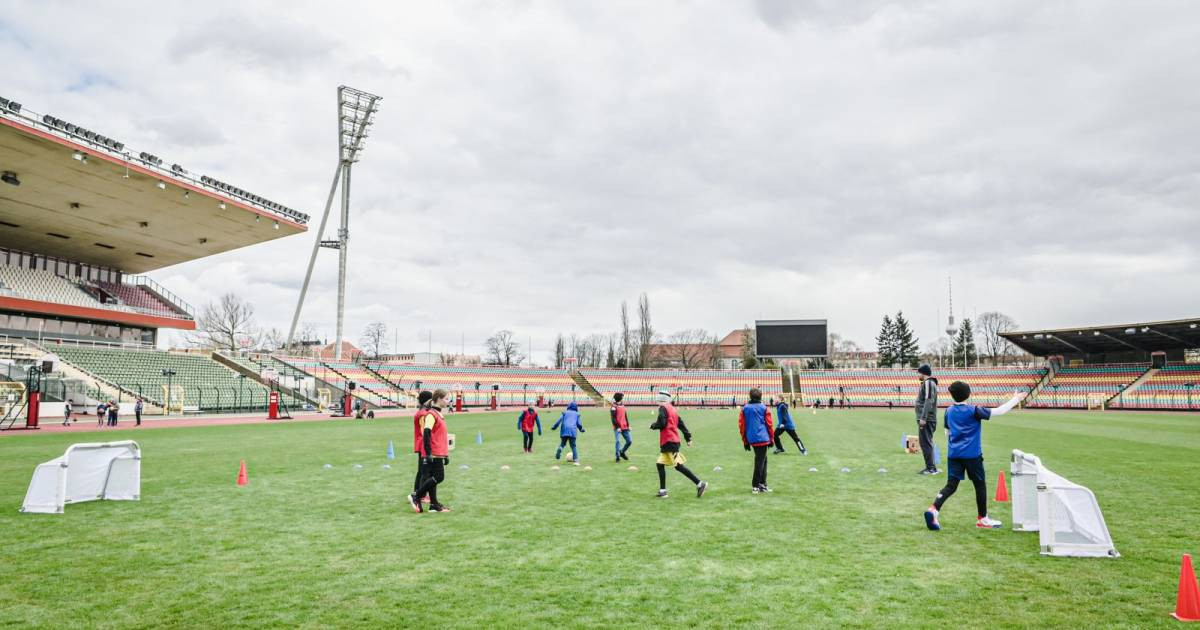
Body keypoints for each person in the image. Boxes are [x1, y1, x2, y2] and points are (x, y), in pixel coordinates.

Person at [923, 382, 1026, 531]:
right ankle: (982, 519)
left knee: (951, 485)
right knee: (979, 484)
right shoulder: (974, 410)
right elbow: (999, 411)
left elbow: (947, 432)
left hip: (954, 454)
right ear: (968, 394)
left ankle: (933, 509)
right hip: (972, 455)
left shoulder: (948, 411)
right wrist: (1016, 399)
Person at [650, 390, 707, 499]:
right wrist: (688, 437)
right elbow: (681, 424)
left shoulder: (663, 408)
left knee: (678, 466)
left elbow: (662, 424)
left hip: (669, 441)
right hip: (671, 442)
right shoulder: (672, 409)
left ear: (661, 399)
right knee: (660, 464)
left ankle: (700, 484)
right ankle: (663, 491)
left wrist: (653, 425)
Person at [408, 389, 452, 513]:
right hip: (434, 452)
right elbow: (426, 433)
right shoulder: (431, 414)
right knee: (439, 477)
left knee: (433, 477)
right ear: (438, 399)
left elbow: (439, 435)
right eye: (446, 399)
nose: (448, 401)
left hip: (439, 452)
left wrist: (445, 455)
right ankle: (417, 495)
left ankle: (434, 504)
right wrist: (428, 453)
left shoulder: (437, 414)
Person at [739, 388, 775, 493]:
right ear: (760, 396)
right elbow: (769, 424)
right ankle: (756, 485)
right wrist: (772, 438)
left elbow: (742, 425)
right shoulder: (764, 408)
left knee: (763, 460)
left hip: (751, 438)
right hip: (763, 438)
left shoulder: (745, 408)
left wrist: (745, 441)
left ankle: (762, 484)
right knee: (760, 461)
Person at [915, 364, 939, 475]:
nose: (918, 375)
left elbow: (929, 400)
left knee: (925, 443)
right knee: (926, 442)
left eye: (918, 373)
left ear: (923, 373)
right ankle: (931, 467)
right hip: (928, 418)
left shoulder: (928, 383)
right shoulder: (928, 383)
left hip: (927, 419)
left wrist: (923, 417)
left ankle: (930, 468)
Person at [411, 391, 434, 506]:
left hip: (422, 444)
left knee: (421, 470)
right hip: (423, 445)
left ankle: (417, 492)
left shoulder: (422, 412)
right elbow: (424, 431)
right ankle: (420, 495)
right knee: (424, 471)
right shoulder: (423, 414)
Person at [610, 392, 632, 462]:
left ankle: (622, 452)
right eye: (622, 397)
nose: (623, 398)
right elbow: (613, 418)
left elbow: (625, 416)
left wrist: (628, 425)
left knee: (629, 441)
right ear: (619, 398)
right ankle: (618, 457)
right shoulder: (613, 407)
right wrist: (618, 427)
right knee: (618, 441)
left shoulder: (623, 405)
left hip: (625, 426)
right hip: (617, 428)